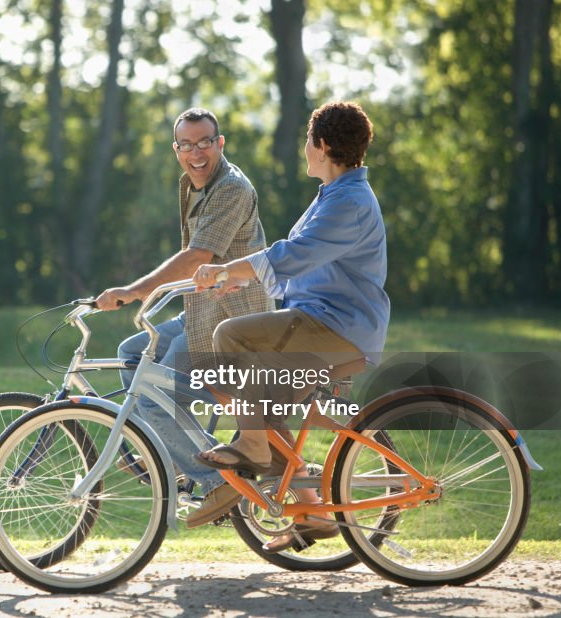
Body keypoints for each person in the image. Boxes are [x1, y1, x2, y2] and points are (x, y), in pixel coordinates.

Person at [190, 101, 389, 550]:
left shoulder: (349, 202)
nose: (304, 148)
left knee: (232, 334)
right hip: (324, 321)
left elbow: (291, 255)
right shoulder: (335, 194)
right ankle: (314, 513)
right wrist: (236, 283)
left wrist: (226, 270)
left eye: (306, 140)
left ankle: (252, 448)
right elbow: (301, 267)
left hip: (338, 328)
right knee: (266, 409)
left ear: (321, 145)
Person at [94, 107, 274, 504]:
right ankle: (170, 453)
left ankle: (217, 481)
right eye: (187, 145)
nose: (197, 153)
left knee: (156, 398)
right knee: (131, 353)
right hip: (202, 311)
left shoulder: (231, 188)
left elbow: (198, 256)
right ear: (176, 149)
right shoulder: (192, 183)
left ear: (220, 143)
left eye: (205, 143)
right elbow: (196, 264)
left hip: (232, 321)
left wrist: (135, 289)